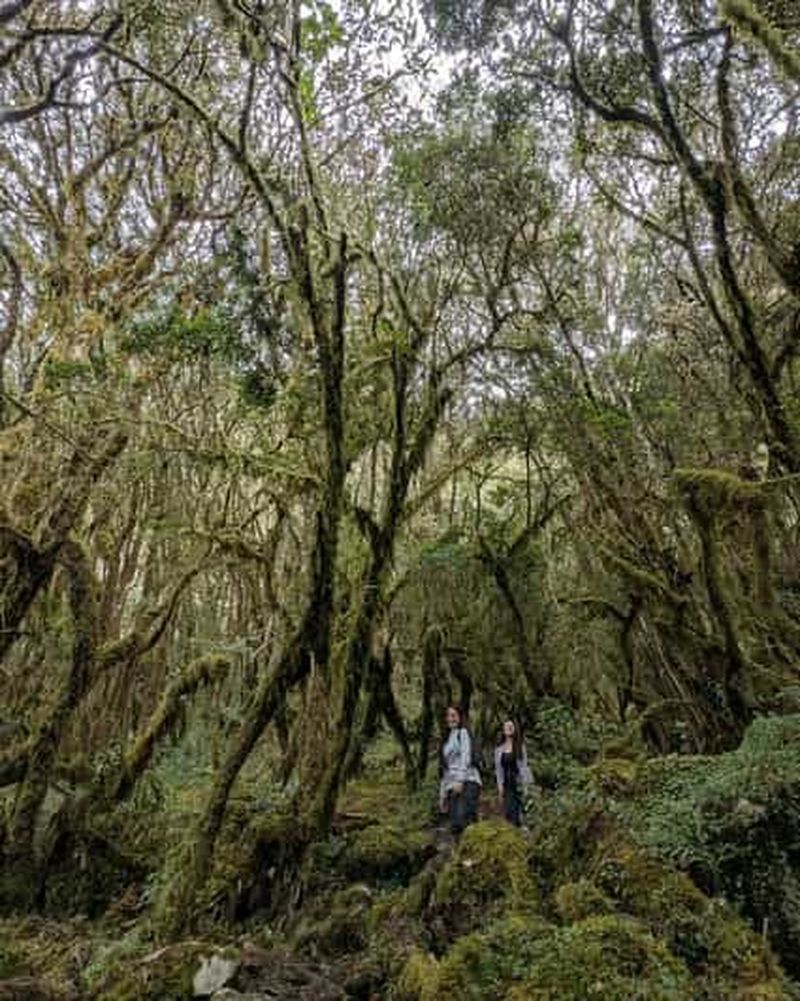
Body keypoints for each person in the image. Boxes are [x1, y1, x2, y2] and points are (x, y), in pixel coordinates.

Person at [439, 704, 482, 836]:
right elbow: (446, 770)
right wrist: (442, 795)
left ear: (460, 717)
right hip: (452, 786)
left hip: (468, 781)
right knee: (455, 826)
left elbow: (466, 757)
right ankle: (460, 854)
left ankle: (473, 854)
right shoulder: (447, 739)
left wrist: (460, 781)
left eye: (454, 715)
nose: (451, 718)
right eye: (448, 715)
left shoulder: (463, 733)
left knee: (464, 820)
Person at [494, 719, 532, 826]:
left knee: (521, 810)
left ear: (515, 729)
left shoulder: (520, 747)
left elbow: (524, 767)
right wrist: (500, 787)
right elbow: (498, 770)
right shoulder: (498, 750)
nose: (509, 728)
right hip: (507, 784)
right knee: (509, 812)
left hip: (518, 783)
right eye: (506, 726)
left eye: (511, 726)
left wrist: (527, 787)